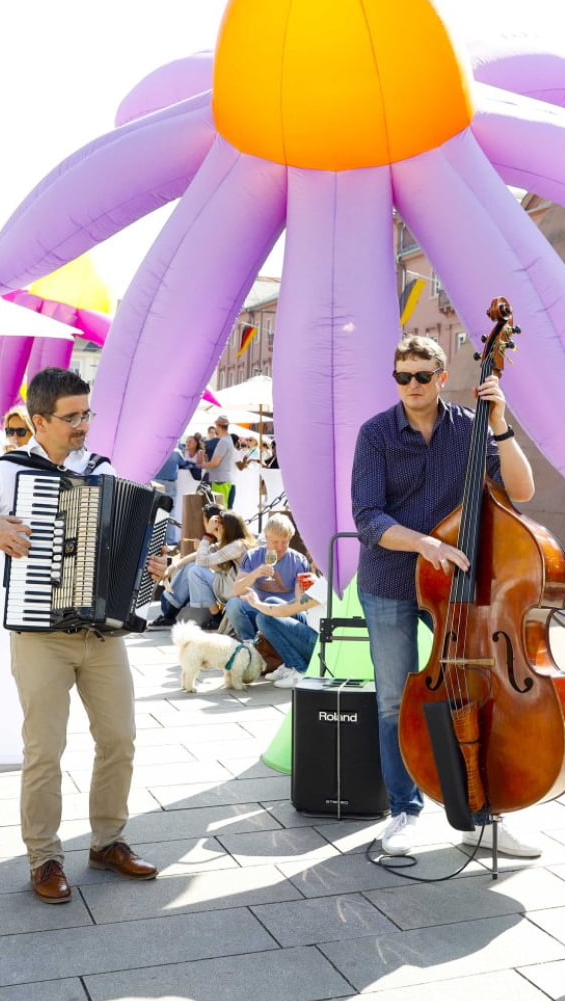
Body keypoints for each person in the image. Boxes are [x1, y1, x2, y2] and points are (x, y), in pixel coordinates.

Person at [0, 367, 163, 905]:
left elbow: (129, 547)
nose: (83, 425)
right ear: (39, 421)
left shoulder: (101, 470)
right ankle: (44, 856)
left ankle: (107, 841)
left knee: (120, 737)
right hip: (40, 634)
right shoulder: (9, 471)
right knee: (44, 749)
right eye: (72, 417)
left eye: (87, 414)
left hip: (103, 634)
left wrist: (148, 567)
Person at [352, 334, 539, 859]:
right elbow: (367, 518)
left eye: (420, 376)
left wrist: (499, 422)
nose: (410, 385)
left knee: (475, 689)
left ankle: (479, 814)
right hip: (390, 577)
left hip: (456, 584)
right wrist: (424, 543)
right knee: (394, 697)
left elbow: (521, 491)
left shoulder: (471, 428)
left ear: (440, 378)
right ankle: (404, 812)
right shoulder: (376, 435)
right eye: (401, 376)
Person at [150, 507, 255, 630]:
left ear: (227, 528)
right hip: (233, 585)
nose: (217, 528)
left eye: (219, 526)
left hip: (236, 589)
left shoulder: (236, 546)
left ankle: (216, 617)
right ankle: (171, 613)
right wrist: (174, 566)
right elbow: (200, 555)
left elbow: (201, 560)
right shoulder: (236, 543)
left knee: (195, 570)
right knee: (192, 567)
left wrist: (207, 535)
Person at [224, 512, 309, 646]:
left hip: (285, 612)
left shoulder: (299, 561)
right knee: (233, 605)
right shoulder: (252, 556)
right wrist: (256, 573)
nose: (280, 547)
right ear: (266, 537)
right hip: (258, 608)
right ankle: (250, 645)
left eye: (284, 542)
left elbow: (301, 600)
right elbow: (237, 591)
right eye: (275, 542)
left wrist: (284, 610)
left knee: (273, 604)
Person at [239, 569, 326, 688]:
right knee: (272, 601)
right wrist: (303, 592)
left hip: (323, 648)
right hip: (322, 632)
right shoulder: (331, 580)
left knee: (265, 618)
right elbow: (302, 607)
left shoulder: (326, 584)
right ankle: (289, 665)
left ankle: (300, 669)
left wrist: (256, 603)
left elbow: (284, 611)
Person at [198, 415, 236, 507]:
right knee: (222, 508)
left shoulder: (223, 441)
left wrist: (202, 465)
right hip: (222, 479)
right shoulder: (228, 439)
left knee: (220, 509)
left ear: (218, 425)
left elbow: (215, 463)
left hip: (220, 480)